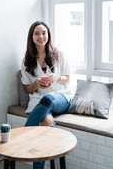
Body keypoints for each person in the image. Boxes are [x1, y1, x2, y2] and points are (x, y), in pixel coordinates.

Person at [20, 21, 72, 169]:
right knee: (46, 123)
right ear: (31, 37)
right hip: (41, 102)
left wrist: (57, 78)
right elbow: (28, 89)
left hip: (61, 98)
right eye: (37, 33)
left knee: (48, 98)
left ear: (48, 35)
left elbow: (68, 78)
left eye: (44, 33)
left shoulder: (59, 54)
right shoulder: (26, 62)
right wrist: (36, 84)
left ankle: (23, 137)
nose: (41, 36)